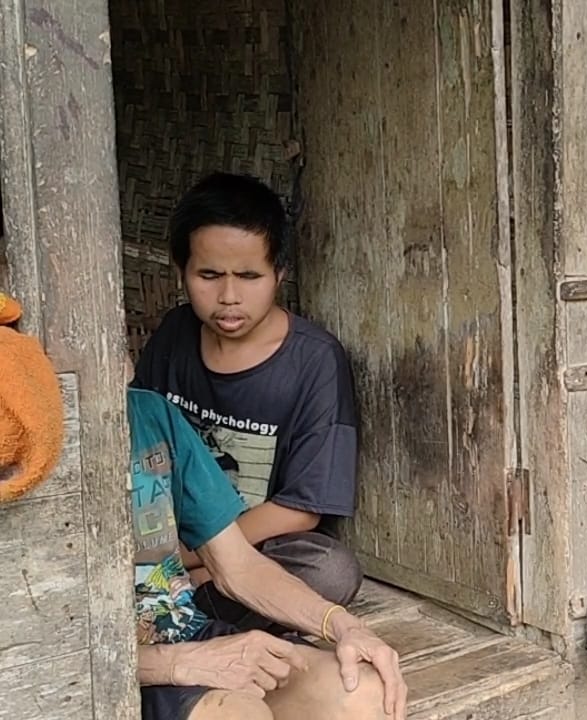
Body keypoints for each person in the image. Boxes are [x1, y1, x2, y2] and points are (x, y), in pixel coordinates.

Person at [132, 172, 362, 629]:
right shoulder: (176, 335)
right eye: (209, 275)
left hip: (248, 548)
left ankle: (180, 607)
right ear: (181, 271)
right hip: (160, 535)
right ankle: (182, 611)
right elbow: (138, 442)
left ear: (279, 274)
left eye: (249, 276)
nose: (229, 297)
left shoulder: (314, 361)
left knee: (328, 570)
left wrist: (197, 557)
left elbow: (301, 509)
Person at [129, 384, 406, 720]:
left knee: (366, 693)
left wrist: (345, 626)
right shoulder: (63, 442)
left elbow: (239, 566)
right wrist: (177, 664)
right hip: (107, 671)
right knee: (242, 714)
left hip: (183, 629)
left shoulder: (150, 413)